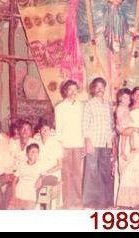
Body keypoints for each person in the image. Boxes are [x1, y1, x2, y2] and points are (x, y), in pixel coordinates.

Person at [82, 77, 115, 209]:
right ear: (93, 89)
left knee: (105, 172)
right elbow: (85, 124)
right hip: (94, 142)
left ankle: (106, 202)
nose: (100, 89)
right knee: (91, 172)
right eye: (97, 87)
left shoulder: (108, 104)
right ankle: (90, 202)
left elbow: (111, 124)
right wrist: (87, 141)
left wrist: (112, 141)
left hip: (106, 143)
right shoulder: (89, 104)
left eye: (102, 87)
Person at [116, 87, 139, 208]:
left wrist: (135, 129)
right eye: (136, 94)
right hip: (126, 141)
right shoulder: (125, 109)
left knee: (137, 171)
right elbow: (119, 127)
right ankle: (125, 201)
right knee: (127, 171)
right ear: (132, 96)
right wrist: (123, 130)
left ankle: (136, 201)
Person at [55, 80, 84, 209]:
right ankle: (67, 202)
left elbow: (83, 126)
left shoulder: (81, 106)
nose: (73, 92)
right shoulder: (59, 108)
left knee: (78, 174)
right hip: (65, 145)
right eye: (70, 90)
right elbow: (59, 129)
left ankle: (78, 201)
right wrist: (60, 147)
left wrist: (83, 143)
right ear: (65, 91)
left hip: (78, 144)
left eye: (75, 89)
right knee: (66, 174)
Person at [9, 143, 45, 210]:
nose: (34, 154)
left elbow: (44, 174)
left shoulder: (40, 165)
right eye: (32, 151)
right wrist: (14, 196)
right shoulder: (22, 165)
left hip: (30, 196)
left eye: (36, 152)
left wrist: (40, 178)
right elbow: (14, 181)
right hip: (18, 194)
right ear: (27, 154)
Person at [35, 119, 63, 189]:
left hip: (52, 174)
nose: (45, 132)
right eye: (43, 129)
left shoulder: (56, 144)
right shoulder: (36, 144)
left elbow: (60, 165)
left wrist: (43, 175)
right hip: (38, 174)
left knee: (42, 185)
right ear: (39, 131)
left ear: (50, 131)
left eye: (47, 130)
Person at [115, 88, 136, 161]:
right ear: (120, 98)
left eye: (128, 98)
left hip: (126, 125)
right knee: (124, 138)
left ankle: (132, 147)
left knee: (131, 134)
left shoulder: (127, 107)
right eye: (125, 98)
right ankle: (123, 152)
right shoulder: (120, 107)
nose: (127, 100)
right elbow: (118, 117)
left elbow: (129, 116)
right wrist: (120, 122)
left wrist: (132, 120)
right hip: (122, 125)